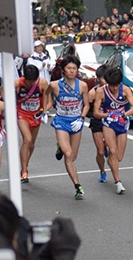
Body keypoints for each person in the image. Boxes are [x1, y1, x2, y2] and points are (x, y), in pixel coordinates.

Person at [45, 55, 89, 199]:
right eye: (69, 68)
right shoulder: (55, 85)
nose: (72, 71)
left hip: (76, 121)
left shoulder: (82, 85)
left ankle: (60, 147)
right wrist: (46, 108)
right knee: (68, 154)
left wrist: (82, 118)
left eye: (74, 68)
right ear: (63, 70)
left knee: (73, 156)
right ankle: (78, 186)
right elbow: (46, 94)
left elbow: (87, 104)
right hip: (61, 122)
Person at [94, 66, 133, 194]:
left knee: (119, 157)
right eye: (112, 85)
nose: (114, 88)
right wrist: (108, 115)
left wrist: (123, 115)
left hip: (122, 123)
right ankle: (118, 182)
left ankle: (111, 160)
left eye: (116, 85)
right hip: (108, 123)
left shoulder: (125, 90)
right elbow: (96, 112)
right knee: (113, 151)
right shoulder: (101, 91)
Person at [15, 64, 49, 183]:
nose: (30, 84)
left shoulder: (42, 83)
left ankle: (26, 164)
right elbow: (3, 89)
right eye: (28, 81)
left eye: (33, 81)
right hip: (22, 114)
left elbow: (47, 98)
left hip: (36, 115)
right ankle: (24, 171)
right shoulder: (18, 83)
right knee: (27, 139)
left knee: (32, 144)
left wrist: (44, 111)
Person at [88, 65, 109, 183]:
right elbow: (88, 110)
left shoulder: (114, 90)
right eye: (103, 79)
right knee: (100, 151)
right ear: (98, 79)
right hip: (97, 123)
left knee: (113, 150)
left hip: (111, 122)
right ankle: (102, 171)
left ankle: (107, 145)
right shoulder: (93, 93)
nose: (105, 82)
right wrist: (97, 113)